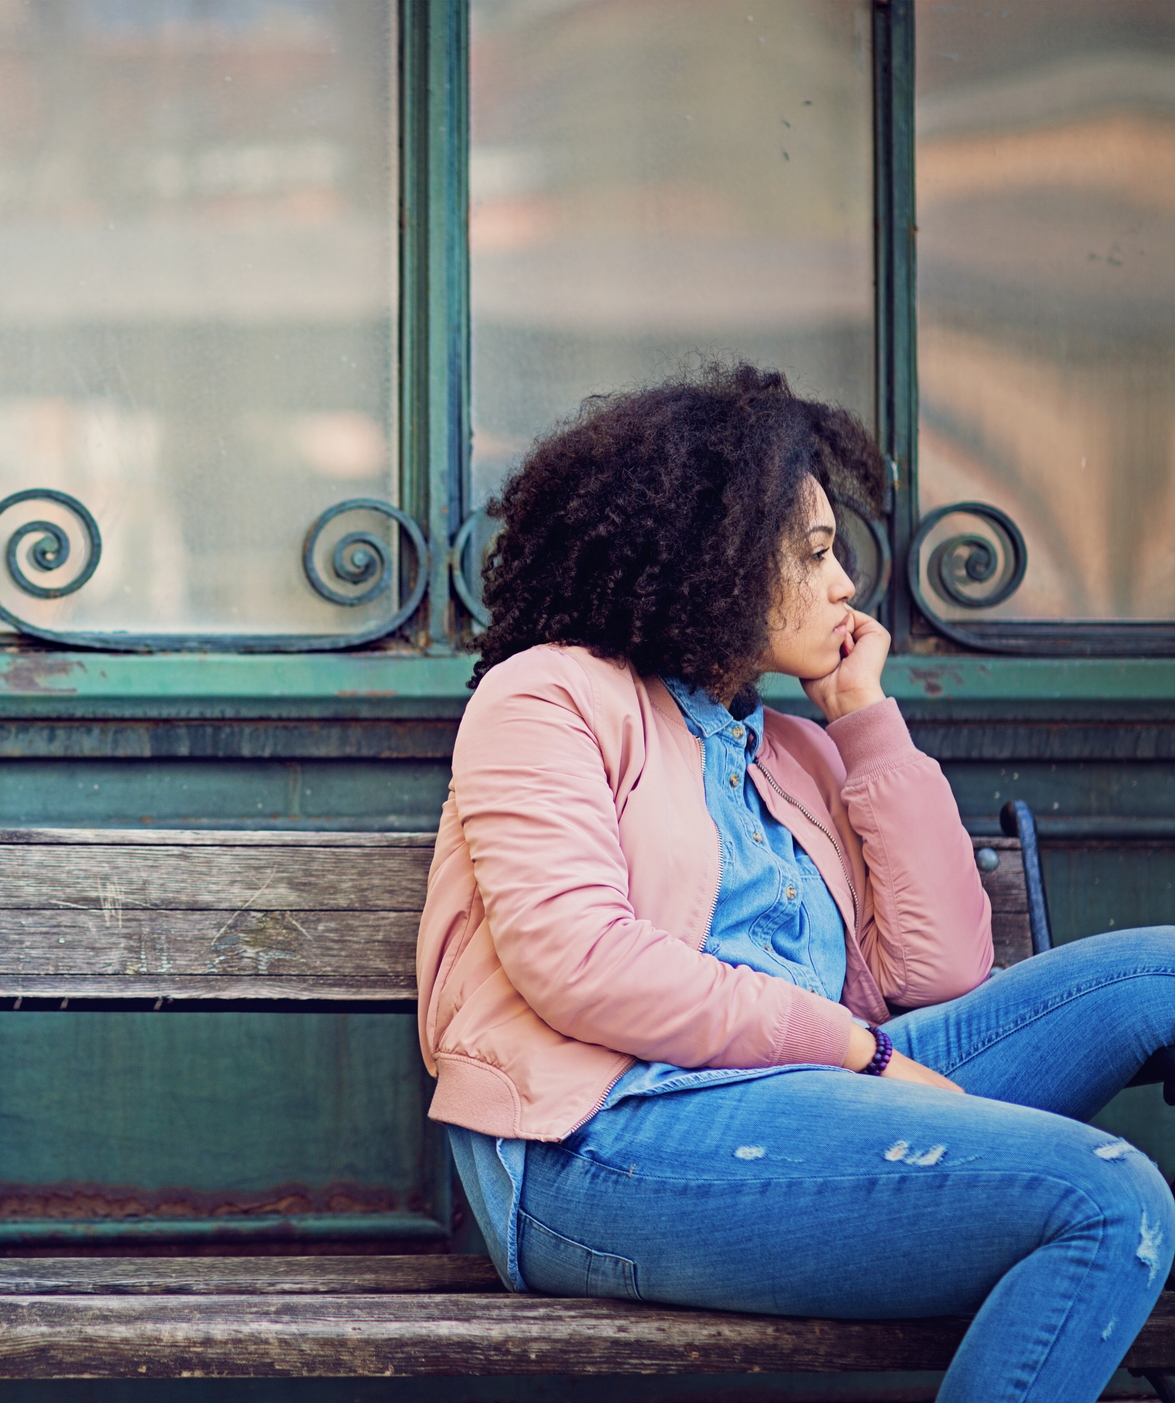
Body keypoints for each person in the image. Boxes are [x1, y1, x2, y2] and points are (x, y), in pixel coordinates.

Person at [417, 365, 1175, 1401]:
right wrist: (854, 1051)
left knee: (1160, 973)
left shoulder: (796, 747)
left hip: (826, 1091)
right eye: (813, 553)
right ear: (712, 558)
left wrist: (862, 718)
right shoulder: (544, 697)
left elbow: (938, 964)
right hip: (601, 1145)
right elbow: (578, 964)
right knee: (1105, 1199)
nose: (843, 585)